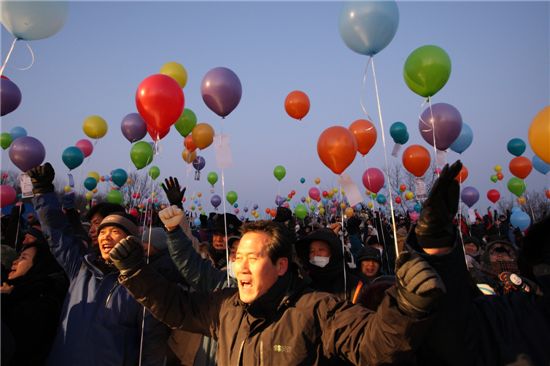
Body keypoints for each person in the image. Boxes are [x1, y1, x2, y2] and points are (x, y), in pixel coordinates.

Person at [109, 204, 446, 365]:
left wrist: (407, 308)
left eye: (251, 258)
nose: (240, 267)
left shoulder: (314, 309)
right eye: (238, 257)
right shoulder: (226, 307)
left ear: (281, 265)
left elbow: (372, 343)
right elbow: (177, 308)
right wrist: (135, 270)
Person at [407, 160, 550, 365]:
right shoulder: (514, 313)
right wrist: (437, 247)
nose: (501, 257)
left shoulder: (525, 297)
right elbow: (457, 331)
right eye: (496, 254)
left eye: (505, 254)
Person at [26, 163, 168, 366]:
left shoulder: (144, 284)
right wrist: (43, 193)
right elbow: (57, 233)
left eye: (115, 232)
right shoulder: (81, 268)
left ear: (130, 240)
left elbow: (152, 346)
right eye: (102, 232)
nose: (105, 237)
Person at [1, 241, 68, 366]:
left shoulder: (42, 304)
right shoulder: (16, 291)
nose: (15, 262)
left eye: (23, 258)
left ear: (38, 265)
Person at [295, 228, 363, 302]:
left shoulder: (353, 285)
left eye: (321, 249)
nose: (316, 254)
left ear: (333, 252)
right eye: (312, 251)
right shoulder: (304, 282)